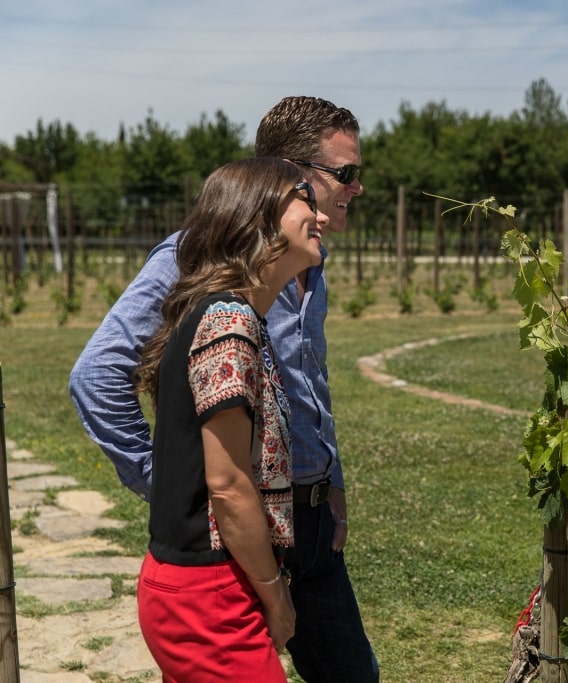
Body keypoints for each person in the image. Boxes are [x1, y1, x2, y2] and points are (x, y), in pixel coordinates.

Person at [68, 96, 379, 682]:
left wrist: (330, 480)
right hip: (244, 531)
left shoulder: (311, 261)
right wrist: (172, 490)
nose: (356, 188)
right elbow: (97, 376)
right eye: (345, 174)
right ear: (289, 176)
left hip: (310, 524)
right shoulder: (196, 256)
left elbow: (309, 384)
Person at [133, 156, 324, 679]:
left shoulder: (226, 315)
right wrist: (275, 594)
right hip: (209, 594)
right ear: (258, 216)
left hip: (195, 585)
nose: (321, 214)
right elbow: (229, 484)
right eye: (303, 197)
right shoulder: (228, 320)